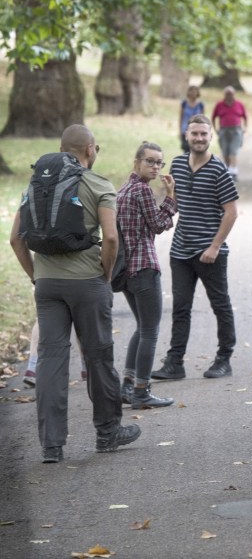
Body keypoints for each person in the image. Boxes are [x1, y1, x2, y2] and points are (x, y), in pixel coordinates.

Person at [9, 125, 141, 462]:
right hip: (88, 282)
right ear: (90, 150)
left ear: (62, 147)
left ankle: (51, 445)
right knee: (98, 357)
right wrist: (107, 273)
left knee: (51, 361)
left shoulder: (37, 184)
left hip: (48, 284)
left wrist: (37, 276)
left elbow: (16, 239)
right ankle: (108, 433)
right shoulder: (98, 184)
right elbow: (110, 238)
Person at [152, 114, 239, 381]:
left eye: (204, 134)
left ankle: (224, 359)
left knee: (220, 305)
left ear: (211, 137)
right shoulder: (177, 165)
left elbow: (231, 212)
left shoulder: (218, 170)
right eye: (195, 134)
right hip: (180, 251)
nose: (199, 138)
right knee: (180, 308)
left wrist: (214, 246)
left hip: (209, 252)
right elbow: (179, 205)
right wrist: (169, 199)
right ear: (186, 135)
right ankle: (174, 363)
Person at [116, 142, 177, 409]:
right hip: (144, 267)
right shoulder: (141, 190)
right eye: (150, 161)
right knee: (150, 331)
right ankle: (142, 390)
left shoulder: (124, 190)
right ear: (137, 161)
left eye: (159, 163)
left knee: (142, 327)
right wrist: (171, 196)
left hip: (126, 269)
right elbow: (159, 224)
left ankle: (128, 386)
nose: (155, 167)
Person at [210, 86, 247, 178]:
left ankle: (234, 171)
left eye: (231, 94)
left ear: (234, 94)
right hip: (223, 130)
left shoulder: (239, 104)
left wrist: (244, 128)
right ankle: (228, 170)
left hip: (236, 130)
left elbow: (245, 117)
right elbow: (213, 117)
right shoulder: (219, 105)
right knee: (225, 151)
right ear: (224, 95)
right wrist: (215, 129)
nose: (229, 96)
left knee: (233, 151)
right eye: (227, 94)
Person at [179, 86, 204, 154]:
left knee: (195, 148)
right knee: (186, 149)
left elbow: (203, 118)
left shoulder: (201, 105)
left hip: (197, 130)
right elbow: (181, 117)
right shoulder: (184, 104)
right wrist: (180, 130)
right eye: (191, 91)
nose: (193, 93)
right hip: (186, 129)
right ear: (188, 92)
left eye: (195, 91)